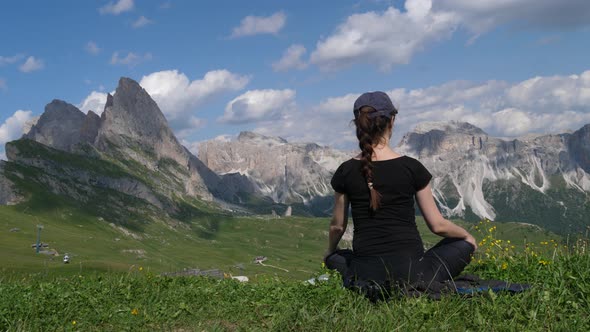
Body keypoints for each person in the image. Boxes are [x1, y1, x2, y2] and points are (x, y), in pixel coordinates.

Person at [324, 91, 477, 296]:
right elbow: (437, 225)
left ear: (358, 123)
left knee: (337, 257)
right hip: (414, 274)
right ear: (392, 121)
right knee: (464, 243)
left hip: (366, 276)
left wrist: (329, 252)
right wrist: (467, 236)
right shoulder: (412, 168)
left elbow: (337, 226)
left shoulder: (345, 170)